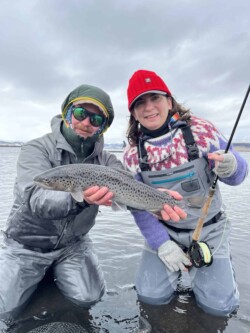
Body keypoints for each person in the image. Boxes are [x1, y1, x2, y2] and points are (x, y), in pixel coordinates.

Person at [0, 83, 186, 322]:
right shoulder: (36, 149)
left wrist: (154, 199)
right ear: (67, 113)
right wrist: (77, 199)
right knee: (4, 309)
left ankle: (48, 279)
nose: (86, 122)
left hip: (73, 245)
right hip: (25, 246)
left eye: (96, 119)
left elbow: (128, 190)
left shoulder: (107, 161)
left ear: (103, 127)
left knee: (89, 298)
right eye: (80, 113)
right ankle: (37, 279)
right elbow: (35, 198)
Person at [122, 69, 248, 316]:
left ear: (169, 101)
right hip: (164, 231)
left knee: (220, 308)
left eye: (155, 98)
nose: (149, 108)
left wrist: (231, 165)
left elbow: (239, 177)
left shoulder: (202, 132)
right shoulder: (131, 156)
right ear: (133, 113)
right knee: (150, 297)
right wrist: (161, 244)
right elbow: (137, 206)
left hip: (210, 229)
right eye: (140, 103)